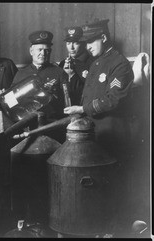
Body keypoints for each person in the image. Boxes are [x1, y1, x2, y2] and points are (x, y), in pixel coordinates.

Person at [63, 19, 135, 231]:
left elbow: (112, 99)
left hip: (111, 133)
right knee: (96, 183)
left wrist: (82, 110)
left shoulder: (120, 64)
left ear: (103, 38)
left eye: (91, 42)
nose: (87, 47)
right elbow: (89, 94)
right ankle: (98, 227)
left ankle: (113, 230)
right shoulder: (97, 62)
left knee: (112, 183)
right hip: (95, 135)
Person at [12, 30, 69, 129]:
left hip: (52, 125)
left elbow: (66, 102)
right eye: (39, 49)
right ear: (31, 51)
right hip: (27, 126)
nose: (43, 53)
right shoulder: (21, 74)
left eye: (47, 50)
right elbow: (12, 101)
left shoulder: (59, 72)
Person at [59, 26, 95, 105]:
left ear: (83, 43)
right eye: (68, 43)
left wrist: (72, 75)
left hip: (84, 110)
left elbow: (91, 91)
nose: (71, 47)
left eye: (76, 43)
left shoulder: (92, 62)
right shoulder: (62, 64)